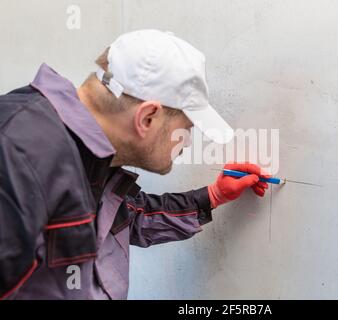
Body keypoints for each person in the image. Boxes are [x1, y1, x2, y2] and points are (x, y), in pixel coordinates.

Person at [0, 29, 269, 299]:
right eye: (185, 129)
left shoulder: (91, 154)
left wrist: (213, 196)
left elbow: (127, 215)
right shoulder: (17, 151)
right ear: (147, 117)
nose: (186, 143)